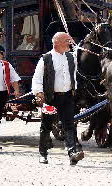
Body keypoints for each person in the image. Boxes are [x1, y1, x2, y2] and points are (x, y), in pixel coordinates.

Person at [32, 32, 84, 165]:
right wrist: (39, 94)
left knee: (69, 125)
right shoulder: (46, 59)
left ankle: (72, 153)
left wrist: (74, 90)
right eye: (67, 41)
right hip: (51, 98)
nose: (69, 43)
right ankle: (43, 154)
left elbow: (74, 76)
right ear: (58, 42)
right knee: (46, 126)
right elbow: (37, 79)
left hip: (67, 97)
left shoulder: (71, 57)